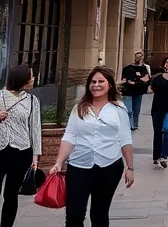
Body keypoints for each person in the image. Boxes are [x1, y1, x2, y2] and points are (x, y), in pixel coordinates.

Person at [51, 67, 135, 227]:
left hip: (109, 166)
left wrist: (130, 168)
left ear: (109, 85)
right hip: (79, 166)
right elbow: (70, 136)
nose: (96, 85)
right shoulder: (79, 108)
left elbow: (125, 138)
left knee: (99, 213)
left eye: (100, 81)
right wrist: (59, 161)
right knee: (74, 214)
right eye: (93, 82)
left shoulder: (118, 109)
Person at [0, 64, 42, 227]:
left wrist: (35, 156)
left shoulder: (32, 101)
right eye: (31, 76)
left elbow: (35, 129)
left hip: (21, 151)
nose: (33, 79)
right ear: (23, 80)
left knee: (11, 193)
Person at [120, 51, 151, 131]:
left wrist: (135, 81)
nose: (138, 58)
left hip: (138, 91)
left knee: (136, 110)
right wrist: (137, 81)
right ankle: (130, 125)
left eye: (140, 57)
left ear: (143, 57)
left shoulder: (144, 68)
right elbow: (125, 80)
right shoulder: (127, 68)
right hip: (128, 91)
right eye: (137, 57)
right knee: (129, 110)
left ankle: (135, 124)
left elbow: (146, 79)